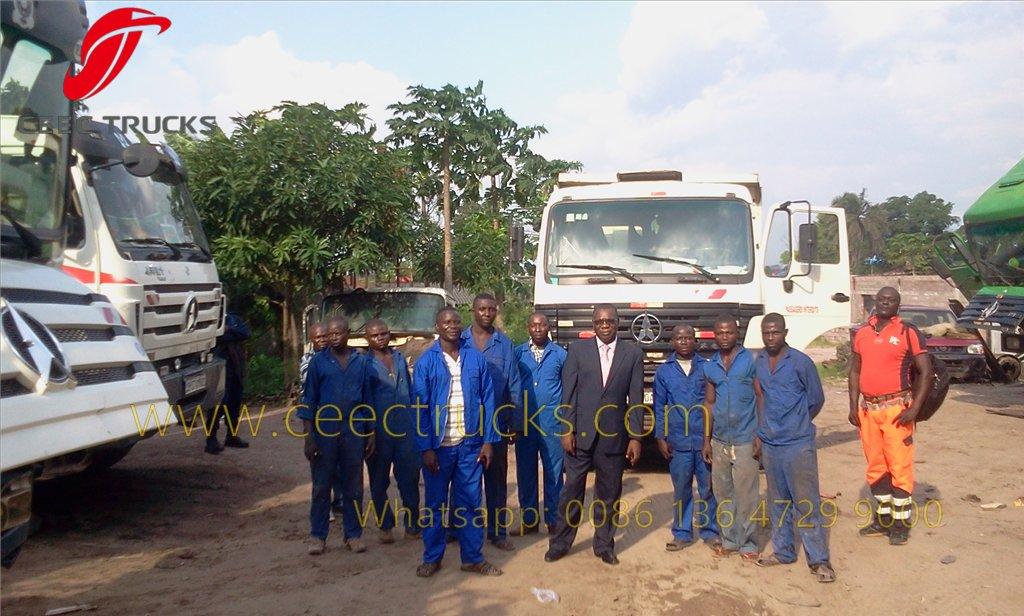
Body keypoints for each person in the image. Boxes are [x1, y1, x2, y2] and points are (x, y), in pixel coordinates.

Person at [545, 304, 644, 566]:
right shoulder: (578, 351)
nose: (605, 325)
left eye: (609, 321)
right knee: (571, 492)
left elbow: (635, 399)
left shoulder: (632, 353)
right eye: (600, 321)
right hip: (580, 436)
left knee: (609, 494)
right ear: (593, 324)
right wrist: (567, 428)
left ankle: (604, 545)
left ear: (617, 323)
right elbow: (569, 393)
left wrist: (635, 437)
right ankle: (561, 543)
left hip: (613, 437)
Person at [415, 308, 503, 577]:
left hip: (470, 446)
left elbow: (489, 401)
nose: (452, 326)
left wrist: (489, 440)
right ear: (437, 327)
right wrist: (426, 447)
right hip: (439, 449)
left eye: (456, 322)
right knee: (435, 505)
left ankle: (473, 558)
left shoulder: (475, 359)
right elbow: (419, 407)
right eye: (446, 322)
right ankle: (432, 557)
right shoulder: (426, 361)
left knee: (471, 504)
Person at [753, 314, 836, 582]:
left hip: (798, 444)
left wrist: (797, 423)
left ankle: (819, 561)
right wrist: (764, 431)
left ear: (785, 332)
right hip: (771, 443)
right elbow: (761, 397)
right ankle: (783, 551)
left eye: (775, 332)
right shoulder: (760, 362)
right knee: (777, 502)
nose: (770, 337)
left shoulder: (801, 362)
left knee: (807, 502)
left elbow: (816, 399)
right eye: (766, 333)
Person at [849, 287, 931, 546]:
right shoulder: (861, 333)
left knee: (899, 467)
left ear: (898, 304)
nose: (886, 303)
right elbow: (854, 371)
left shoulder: (907, 332)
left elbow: (926, 373)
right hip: (869, 410)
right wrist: (852, 405)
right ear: (875, 301)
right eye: (882, 299)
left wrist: (915, 409)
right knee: (875, 468)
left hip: (897, 410)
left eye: (891, 300)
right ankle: (882, 520)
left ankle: (900, 525)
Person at [299, 316, 374, 556]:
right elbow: (308, 401)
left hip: (354, 430)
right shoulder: (318, 363)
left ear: (347, 333)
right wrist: (309, 437)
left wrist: (370, 433)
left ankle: (353, 534)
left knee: (354, 486)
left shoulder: (360, 362)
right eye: (329, 334)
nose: (332, 337)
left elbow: (368, 400)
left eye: (337, 333)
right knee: (321, 486)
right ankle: (317, 536)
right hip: (325, 431)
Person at [461, 293, 522, 551]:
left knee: (496, 482)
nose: (486, 313)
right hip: (463, 425)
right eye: (481, 309)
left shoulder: (504, 344)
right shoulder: (458, 340)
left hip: (495, 424)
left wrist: (514, 422)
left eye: (491, 309)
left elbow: (514, 384)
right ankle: (460, 529)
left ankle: (497, 532)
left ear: (496, 312)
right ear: (473, 310)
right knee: (463, 480)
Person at [702, 314, 762, 561]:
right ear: (714, 335)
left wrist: (760, 433)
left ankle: (748, 543)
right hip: (719, 441)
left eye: (728, 332)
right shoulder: (711, 365)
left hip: (746, 438)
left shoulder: (751, 361)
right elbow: (709, 402)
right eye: (719, 333)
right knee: (723, 493)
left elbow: (760, 396)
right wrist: (706, 440)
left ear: (737, 333)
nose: (724, 337)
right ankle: (729, 539)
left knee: (746, 494)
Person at [653, 325, 719, 551]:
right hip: (678, 441)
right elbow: (659, 407)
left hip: (703, 440)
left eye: (688, 338)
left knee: (708, 487)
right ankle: (682, 532)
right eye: (679, 338)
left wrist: (710, 438)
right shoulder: (664, 372)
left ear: (695, 341)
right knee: (682, 488)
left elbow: (712, 404)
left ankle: (711, 531)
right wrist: (660, 436)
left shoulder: (707, 368)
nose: (683, 341)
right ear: (672, 342)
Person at [363, 318, 421, 543]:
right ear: (367, 339)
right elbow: (365, 399)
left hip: (405, 428)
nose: (380, 338)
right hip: (379, 432)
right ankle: (385, 525)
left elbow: (410, 389)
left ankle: (413, 526)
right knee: (378, 481)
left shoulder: (398, 358)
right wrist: (369, 432)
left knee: (409, 478)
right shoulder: (364, 364)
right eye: (375, 335)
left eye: (384, 334)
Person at [514, 312, 568, 536]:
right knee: (525, 472)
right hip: (525, 423)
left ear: (549, 327)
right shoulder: (518, 353)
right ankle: (529, 520)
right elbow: (512, 386)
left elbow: (568, 389)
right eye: (534, 325)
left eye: (542, 325)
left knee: (554, 472)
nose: (538, 329)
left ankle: (554, 520)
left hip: (552, 422)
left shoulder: (560, 355)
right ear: (528, 327)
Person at [206, 310, 251, 454]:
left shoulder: (233, 318)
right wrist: (231, 334)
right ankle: (211, 439)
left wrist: (229, 330)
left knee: (234, 402)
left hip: (236, 366)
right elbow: (217, 337)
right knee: (218, 404)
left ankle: (231, 436)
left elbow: (246, 333)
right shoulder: (210, 320)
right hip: (220, 368)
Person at [298, 322, 327, 400]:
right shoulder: (307, 359)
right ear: (311, 339)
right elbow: (310, 383)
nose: (322, 340)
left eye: (325, 336)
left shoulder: (334, 356)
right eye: (318, 337)